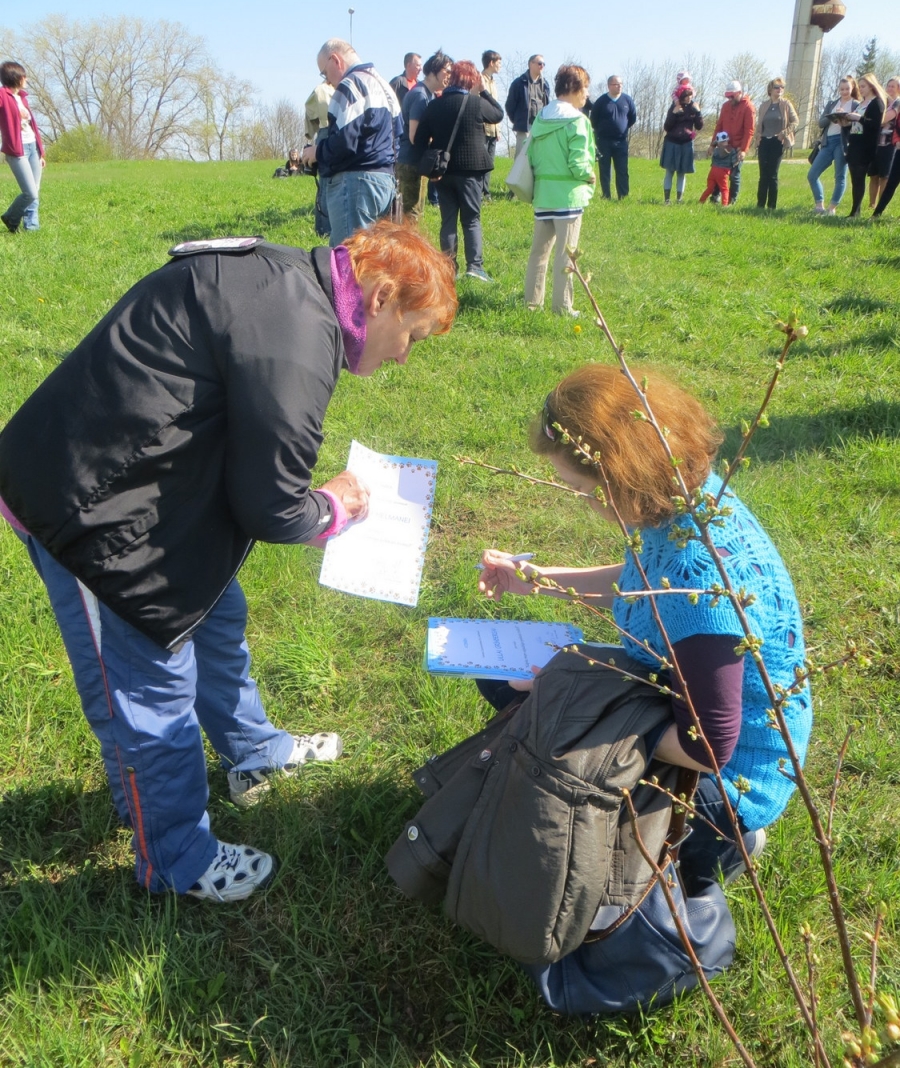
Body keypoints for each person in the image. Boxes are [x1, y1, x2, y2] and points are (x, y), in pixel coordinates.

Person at [0, 223, 457, 902]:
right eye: (413, 337)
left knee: (216, 615)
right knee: (148, 696)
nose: (403, 358)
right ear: (383, 294)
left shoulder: (289, 286)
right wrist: (330, 508)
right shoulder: (300, 343)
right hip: (91, 515)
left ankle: (251, 747)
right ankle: (176, 857)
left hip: (141, 488)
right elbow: (271, 507)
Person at [477, 363, 811, 896]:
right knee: (502, 683)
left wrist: (571, 707)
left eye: (582, 489)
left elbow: (708, 748)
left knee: (541, 711)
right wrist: (535, 582)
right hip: (680, 698)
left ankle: (719, 845)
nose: (582, 503)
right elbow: (641, 581)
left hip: (725, 782)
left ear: (620, 477)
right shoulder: (683, 506)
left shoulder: (699, 580)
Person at [301, 39, 401, 247]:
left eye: (324, 73)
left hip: (356, 185)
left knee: (347, 259)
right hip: (386, 182)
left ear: (335, 60)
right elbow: (398, 139)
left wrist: (316, 152)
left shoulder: (350, 85)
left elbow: (344, 142)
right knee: (375, 262)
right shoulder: (385, 87)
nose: (328, 82)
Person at [413, 60, 503, 283]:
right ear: (472, 80)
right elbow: (498, 114)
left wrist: (431, 165)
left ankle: (448, 268)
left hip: (442, 173)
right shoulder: (475, 102)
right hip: (471, 172)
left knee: (448, 221)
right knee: (471, 220)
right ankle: (475, 267)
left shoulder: (434, 105)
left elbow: (419, 142)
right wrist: (484, 93)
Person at [524, 64, 596, 317]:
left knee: (538, 254)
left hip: (543, 196)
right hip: (569, 197)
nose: (587, 93)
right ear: (575, 87)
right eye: (585, 87)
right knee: (567, 256)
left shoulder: (541, 117)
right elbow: (578, 163)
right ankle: (563, 307)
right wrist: (590, 175)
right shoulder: (578, 121)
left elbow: (531, 154)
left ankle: (532, 304)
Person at [396, 51, 453, 225]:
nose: (449, 76)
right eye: (446, 71)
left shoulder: (427, 94)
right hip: (410, 163)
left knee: (414, 215)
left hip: (415, 162)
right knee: (410, 217)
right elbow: (415, 136)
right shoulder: (421, 96)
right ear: (433, 71)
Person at [1, 61, 45, 234]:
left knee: (35, 190)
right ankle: (11, 217)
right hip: (17, 151)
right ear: (15, 77)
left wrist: (41, 152)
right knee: (30, 193)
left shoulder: (23, 97)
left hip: (33, 147)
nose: (26, 78)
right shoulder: (2, 96)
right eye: (23, 75)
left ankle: (32, 227)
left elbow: (32, 126)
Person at [807, 75, 859, 215]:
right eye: (841, 89)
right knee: (812, 174)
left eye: (847, 88)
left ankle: (832, 208)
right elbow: (820, 123)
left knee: (840, 176)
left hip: (843, 142)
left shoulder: (856, 104)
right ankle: (819, 205)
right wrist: (833, 115)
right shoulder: (832, 103)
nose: (844, 92)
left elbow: (858, 126)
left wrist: (846, 117)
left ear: (852, 87)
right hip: (827, 141)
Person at [842, 73, 886, 218]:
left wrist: (858, 118)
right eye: (859, 86)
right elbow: (856, 126)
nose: (860, 89)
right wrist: (846, 123)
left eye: (863, 86)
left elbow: (874, 125)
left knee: (859, 178)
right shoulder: (861, 103)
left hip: (865, 146)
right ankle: (856, 211)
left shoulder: (877, 102)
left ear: (871, 86)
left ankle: (855, 212)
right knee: (855, 179)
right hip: (854, 143)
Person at [589, 75, 637, 200]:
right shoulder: (601, 102)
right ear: (609, 86)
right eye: (616, 84)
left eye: (621, 84)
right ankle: (606, 195)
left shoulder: (627, 100)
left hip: (621, 141)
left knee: (622, 170)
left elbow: (632, 118)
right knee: (605, 170)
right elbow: (593, 120)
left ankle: (623, 196)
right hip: (604, 141)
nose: (619, 86)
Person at [754, 78, 798, 210]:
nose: (780, 90)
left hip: (777, 141)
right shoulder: (763, 106)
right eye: (777, 87)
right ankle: (760, 204)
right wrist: (758, 136)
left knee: (772, 174)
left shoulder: (786, 104)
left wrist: (784, 133)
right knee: (763, 175)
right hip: (764, 141)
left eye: (782, 87)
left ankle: (772, 205)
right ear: (770, 89)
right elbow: (759, 124)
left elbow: (795, 121)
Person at [709, 82, 756, 205]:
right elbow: (719, 126)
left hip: (737, 148)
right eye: (728, 96)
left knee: (734, 175)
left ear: (739, 93)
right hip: (723, 147)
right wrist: (712, 144)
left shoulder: (748, 107)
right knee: (718, 172)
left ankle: (731, 200)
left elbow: (749, 131)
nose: (730, 98)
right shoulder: (725, 106)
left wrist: (744, 150)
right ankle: (715, 196)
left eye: (732, 96)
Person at [660, 84, 703, 203]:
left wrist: (698, 112)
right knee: (669, 171)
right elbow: (667, 127)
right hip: (672, 142)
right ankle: (667, 200)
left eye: (690, 95)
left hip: (686, 143)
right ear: (681, 96)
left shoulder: (694, 107)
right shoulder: (674, 106)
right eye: (686, 96)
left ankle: (679, 199)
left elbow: (699, 126)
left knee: (682, 172)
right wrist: (674, 113)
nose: (689, 98)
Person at [304, 79, 336, 238]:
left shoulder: (322, 90)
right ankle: (324, 229)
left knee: (328, 183)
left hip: (327, 132)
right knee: (325, 183)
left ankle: (325, 229)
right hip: (327, 131)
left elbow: (310, 114)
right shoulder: (322, 90)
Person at [505, 54, 550, 159]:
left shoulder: (545, 84)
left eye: (544, 64)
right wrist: (518, 120)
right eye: (539, 63)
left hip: (541, 128)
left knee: (540, 159)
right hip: (524, 128)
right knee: (521, 159)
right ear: (531, 64)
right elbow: (510, 105)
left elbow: (547, 105)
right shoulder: (519, 83)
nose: (542, 66)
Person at [870, 76, 899, 209]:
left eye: (893, 86)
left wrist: (874, 120)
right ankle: (871, 204)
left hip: (890, 144)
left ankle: (880, 206)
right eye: (888, 86)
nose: (890, 89)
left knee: (884, 176)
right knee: (873, 175)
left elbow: (884, 119)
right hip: (876, 142)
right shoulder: (882, 102)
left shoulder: (897, 103)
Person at [481, 50, 503, 199]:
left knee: (490, 163)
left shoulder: (494, 82)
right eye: (498, 63)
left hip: (494, 130)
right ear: (491, 63)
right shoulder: (480, 79)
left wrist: (499, 129)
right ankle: (479, 192)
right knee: (481, 163)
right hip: (482, 128)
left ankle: (486, 192)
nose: (500, 66)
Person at [699, 131, 740, 206]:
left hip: (713, 171)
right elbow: (735, 162)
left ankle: (701, 201)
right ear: (727, 140)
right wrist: (739, 154)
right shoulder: (731, 150)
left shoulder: (716, 150)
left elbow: (713, 159)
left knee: (710, 188)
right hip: (723, 172)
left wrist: (714, 144)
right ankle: (724, 204)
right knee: (724, 189)